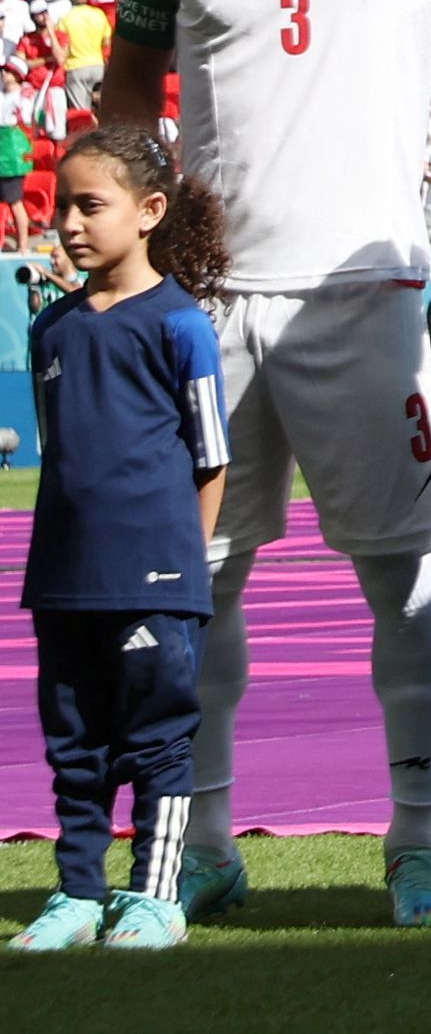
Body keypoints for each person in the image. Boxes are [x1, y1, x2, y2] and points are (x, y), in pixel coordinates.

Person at [97, 0, 431, 929]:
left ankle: (417, 849)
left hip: (358, 293)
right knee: (194, 585)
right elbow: (128, 94)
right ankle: (204, 845)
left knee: (406, 581)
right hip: (204, 306)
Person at [15, 126, 231, 955]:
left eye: (89, 204)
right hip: (66, 576)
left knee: (158, 738)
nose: (68, 221)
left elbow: (211, 456)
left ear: (149, 211)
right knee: (74, 744)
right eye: (62, 204)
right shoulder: (53, 328)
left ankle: (154, 892)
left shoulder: (179, 323)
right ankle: (76, 891)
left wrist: (187, 565)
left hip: (155, 577)